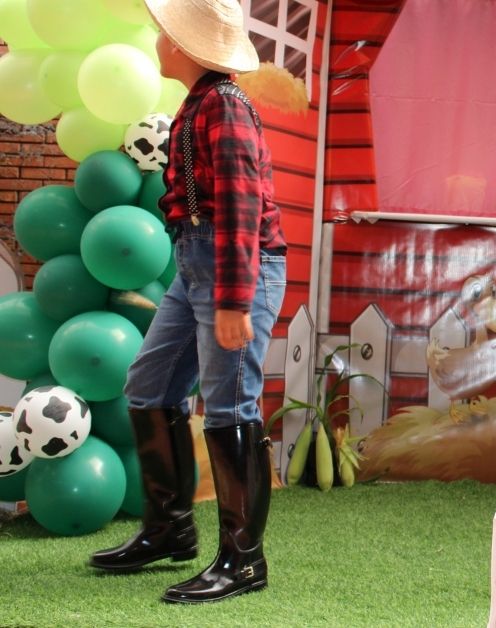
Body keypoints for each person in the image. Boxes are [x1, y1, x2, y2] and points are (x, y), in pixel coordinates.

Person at [88, 0, 287, 603]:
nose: (157, 41)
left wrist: (233, 300)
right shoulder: (202, 102)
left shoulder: (224, 104)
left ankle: (244, 561)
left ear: (183, 47)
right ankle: (169, 529)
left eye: (163, 34)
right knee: (149, 385)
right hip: (198, 262)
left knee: (229, 406)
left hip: (235, 267)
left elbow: (241, 206)